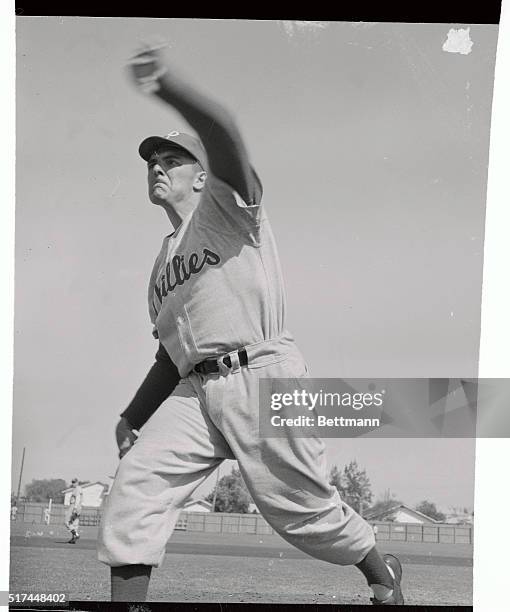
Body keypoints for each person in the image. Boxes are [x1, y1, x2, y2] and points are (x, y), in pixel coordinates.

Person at [97, 44, 404, 606]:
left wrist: (169, 89)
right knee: (134, 488)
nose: (157, 167)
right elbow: (171, 353)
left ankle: (384, 576)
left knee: (301, 510)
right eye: (150, 162)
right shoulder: (161, 265)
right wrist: (132, 416)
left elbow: (225, 135)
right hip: (195, 390)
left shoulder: (227, 206)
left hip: (261, 370)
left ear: (200, 176)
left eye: (172, 159)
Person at [65, 477, 82, 544]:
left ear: (77, 482)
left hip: (74, 506)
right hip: (79, 507)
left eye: (74, 482)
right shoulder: (79, 488)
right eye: (72, 482)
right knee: (75, 524)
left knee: (67, 521)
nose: (73, 483)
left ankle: (76, 535)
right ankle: (73, 539)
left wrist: (74, 508)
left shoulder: (77, 489)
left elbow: (77, 498)